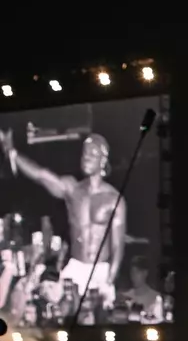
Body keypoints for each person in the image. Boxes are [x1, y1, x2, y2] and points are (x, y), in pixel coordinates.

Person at [0, 131, 126, 311]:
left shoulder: (114, 199)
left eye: (92, 154)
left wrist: (108, 281)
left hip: (100, 271)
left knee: (96, 319)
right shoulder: (72, 189)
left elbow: (117, 246)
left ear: (103, 161)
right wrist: (12, 152)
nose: (86, 157)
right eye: (84, 153)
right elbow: (41, 175)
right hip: (75, 267)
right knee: (51, 305)